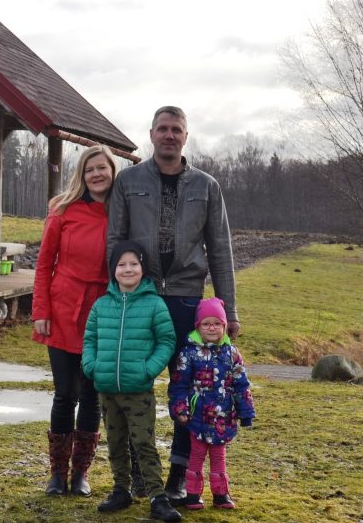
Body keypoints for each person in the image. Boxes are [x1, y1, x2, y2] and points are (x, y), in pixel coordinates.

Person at [107, 105, 239, 501]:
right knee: (134, 386)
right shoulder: (128, 181)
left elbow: (220, 250)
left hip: (186, 299)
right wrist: (116, 297)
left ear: (185, 136)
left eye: (176, 129)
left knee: (189, 388)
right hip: (141, 298)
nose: (169, 135)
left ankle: (179, 475)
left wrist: (229, 311)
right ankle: (137, 473)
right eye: (162, 128)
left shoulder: (206, 186)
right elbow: (114, 242)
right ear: (151, 134)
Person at [31, 144, 116, 495]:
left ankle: (81, 473)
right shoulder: (62, 209)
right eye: (90, 169)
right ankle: (57, 474)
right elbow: (43, 263)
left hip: (102, 311)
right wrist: (41, 311)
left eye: (102, 168)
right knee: (65, 394)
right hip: (64, 307)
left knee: (92, 395)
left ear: (112, 172)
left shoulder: (121, 211)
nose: (96, 174)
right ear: (81, 174)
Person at [82, 241, 181, 522]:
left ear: (143, 268)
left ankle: (157, 497)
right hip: (107, 389)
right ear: (113, 270)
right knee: (115, 442)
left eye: (133, 264)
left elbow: (166, 340)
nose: (128, 269)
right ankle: (121, 490)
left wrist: (147, 370)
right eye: (121, 265)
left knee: (143, 443)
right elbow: (89, 340)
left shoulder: (154, 304)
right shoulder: (101, 305)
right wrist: (92, 367)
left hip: (138, 391)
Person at [168, 297, 255, 510]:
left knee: (219, 456)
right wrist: (180, 409)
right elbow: (179, 384)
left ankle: (221, 494)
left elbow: (241, 384)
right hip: (197, 416)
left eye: (217, 323)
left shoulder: (232, 353)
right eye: (206, 324)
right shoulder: (189, 353)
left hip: (223, 417)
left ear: (224, 326)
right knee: (196, 455)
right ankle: (192, 494)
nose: (212, 328)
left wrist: (246, 412)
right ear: (198, 326)